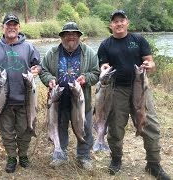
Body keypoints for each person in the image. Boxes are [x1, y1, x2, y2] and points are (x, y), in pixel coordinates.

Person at [97, 10, 171, 179]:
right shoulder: (105, 45)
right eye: (115, 21)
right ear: (111, 25)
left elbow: (150, 62)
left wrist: (149, 65)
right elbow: (103, 64)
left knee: (150, 125)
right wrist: (104, 68)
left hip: (140, 88)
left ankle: (153, 164)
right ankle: (116, 159)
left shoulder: (138, 40)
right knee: (115, 127)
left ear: (127, 23)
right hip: (116, 90)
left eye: (121, 20)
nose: (118, 24)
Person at [0, 13, 41, 173]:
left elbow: (38, 65)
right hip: (3, 102)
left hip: (25, 100)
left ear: (19, 28)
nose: (12, 27)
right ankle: (11, 157)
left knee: (25, 131)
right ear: (3, 27)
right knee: (7, 133)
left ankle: (23, 155)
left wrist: (37, 69)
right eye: (8, 24)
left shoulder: (29, 47)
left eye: (14, 24)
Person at [39, 22, 99, 170]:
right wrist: (49, 80)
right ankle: (60, 154)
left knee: (85, 129)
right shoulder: (51, 53)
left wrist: (86, 78)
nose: (70, 37)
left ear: (79, 36)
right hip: (58, 100)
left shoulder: (89, 53)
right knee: (60, 128)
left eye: (74, 34)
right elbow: (43, 71)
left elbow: (96, 73)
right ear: (62, 37)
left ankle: (84, 156)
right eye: (67, 34)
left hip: (81, 100)